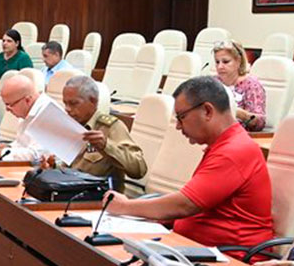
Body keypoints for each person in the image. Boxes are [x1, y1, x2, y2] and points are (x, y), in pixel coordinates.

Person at [104, 76, 273, 252]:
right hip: (197, 249)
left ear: (207, 111)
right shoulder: (223, 144)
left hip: (230, 259)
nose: (178, 126)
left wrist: (125, 207)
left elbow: (185, 205)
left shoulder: (235, 150)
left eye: (181, 117)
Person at [42, 75, 146, 192]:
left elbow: (139, 169)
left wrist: (106, 146)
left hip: (97, 198)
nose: (68, 109)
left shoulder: (109, 127)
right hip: (68, 191)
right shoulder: (70, 125)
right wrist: (53, 165)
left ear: (93, 101)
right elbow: (71, 167)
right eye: (65, 103)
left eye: (74, 103)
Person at [0, 73, 54, 163]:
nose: (7, 110)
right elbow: (21, 145)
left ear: (27, 100)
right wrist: (4, 147)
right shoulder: (28, 111)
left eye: (10, 105)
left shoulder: (48, 114)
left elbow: (35, 156)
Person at [213, 40, 266, 132]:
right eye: (217, 62)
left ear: (238, 61)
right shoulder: (213, 82)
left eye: (225, 62)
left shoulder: (251, 84)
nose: (220, 66)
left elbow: (259, 123)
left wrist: (239, 113)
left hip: (238, 135)